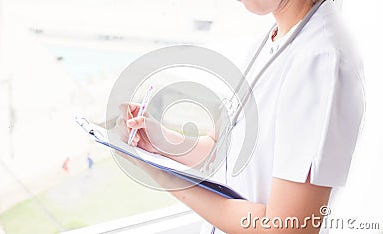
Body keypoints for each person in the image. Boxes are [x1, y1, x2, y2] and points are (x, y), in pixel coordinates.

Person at [115, 0, 364, 233]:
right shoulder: (271, 40)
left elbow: (284, 228)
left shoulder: (320, 61)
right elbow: (224, 153)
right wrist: (161, 141)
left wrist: (164, 176)